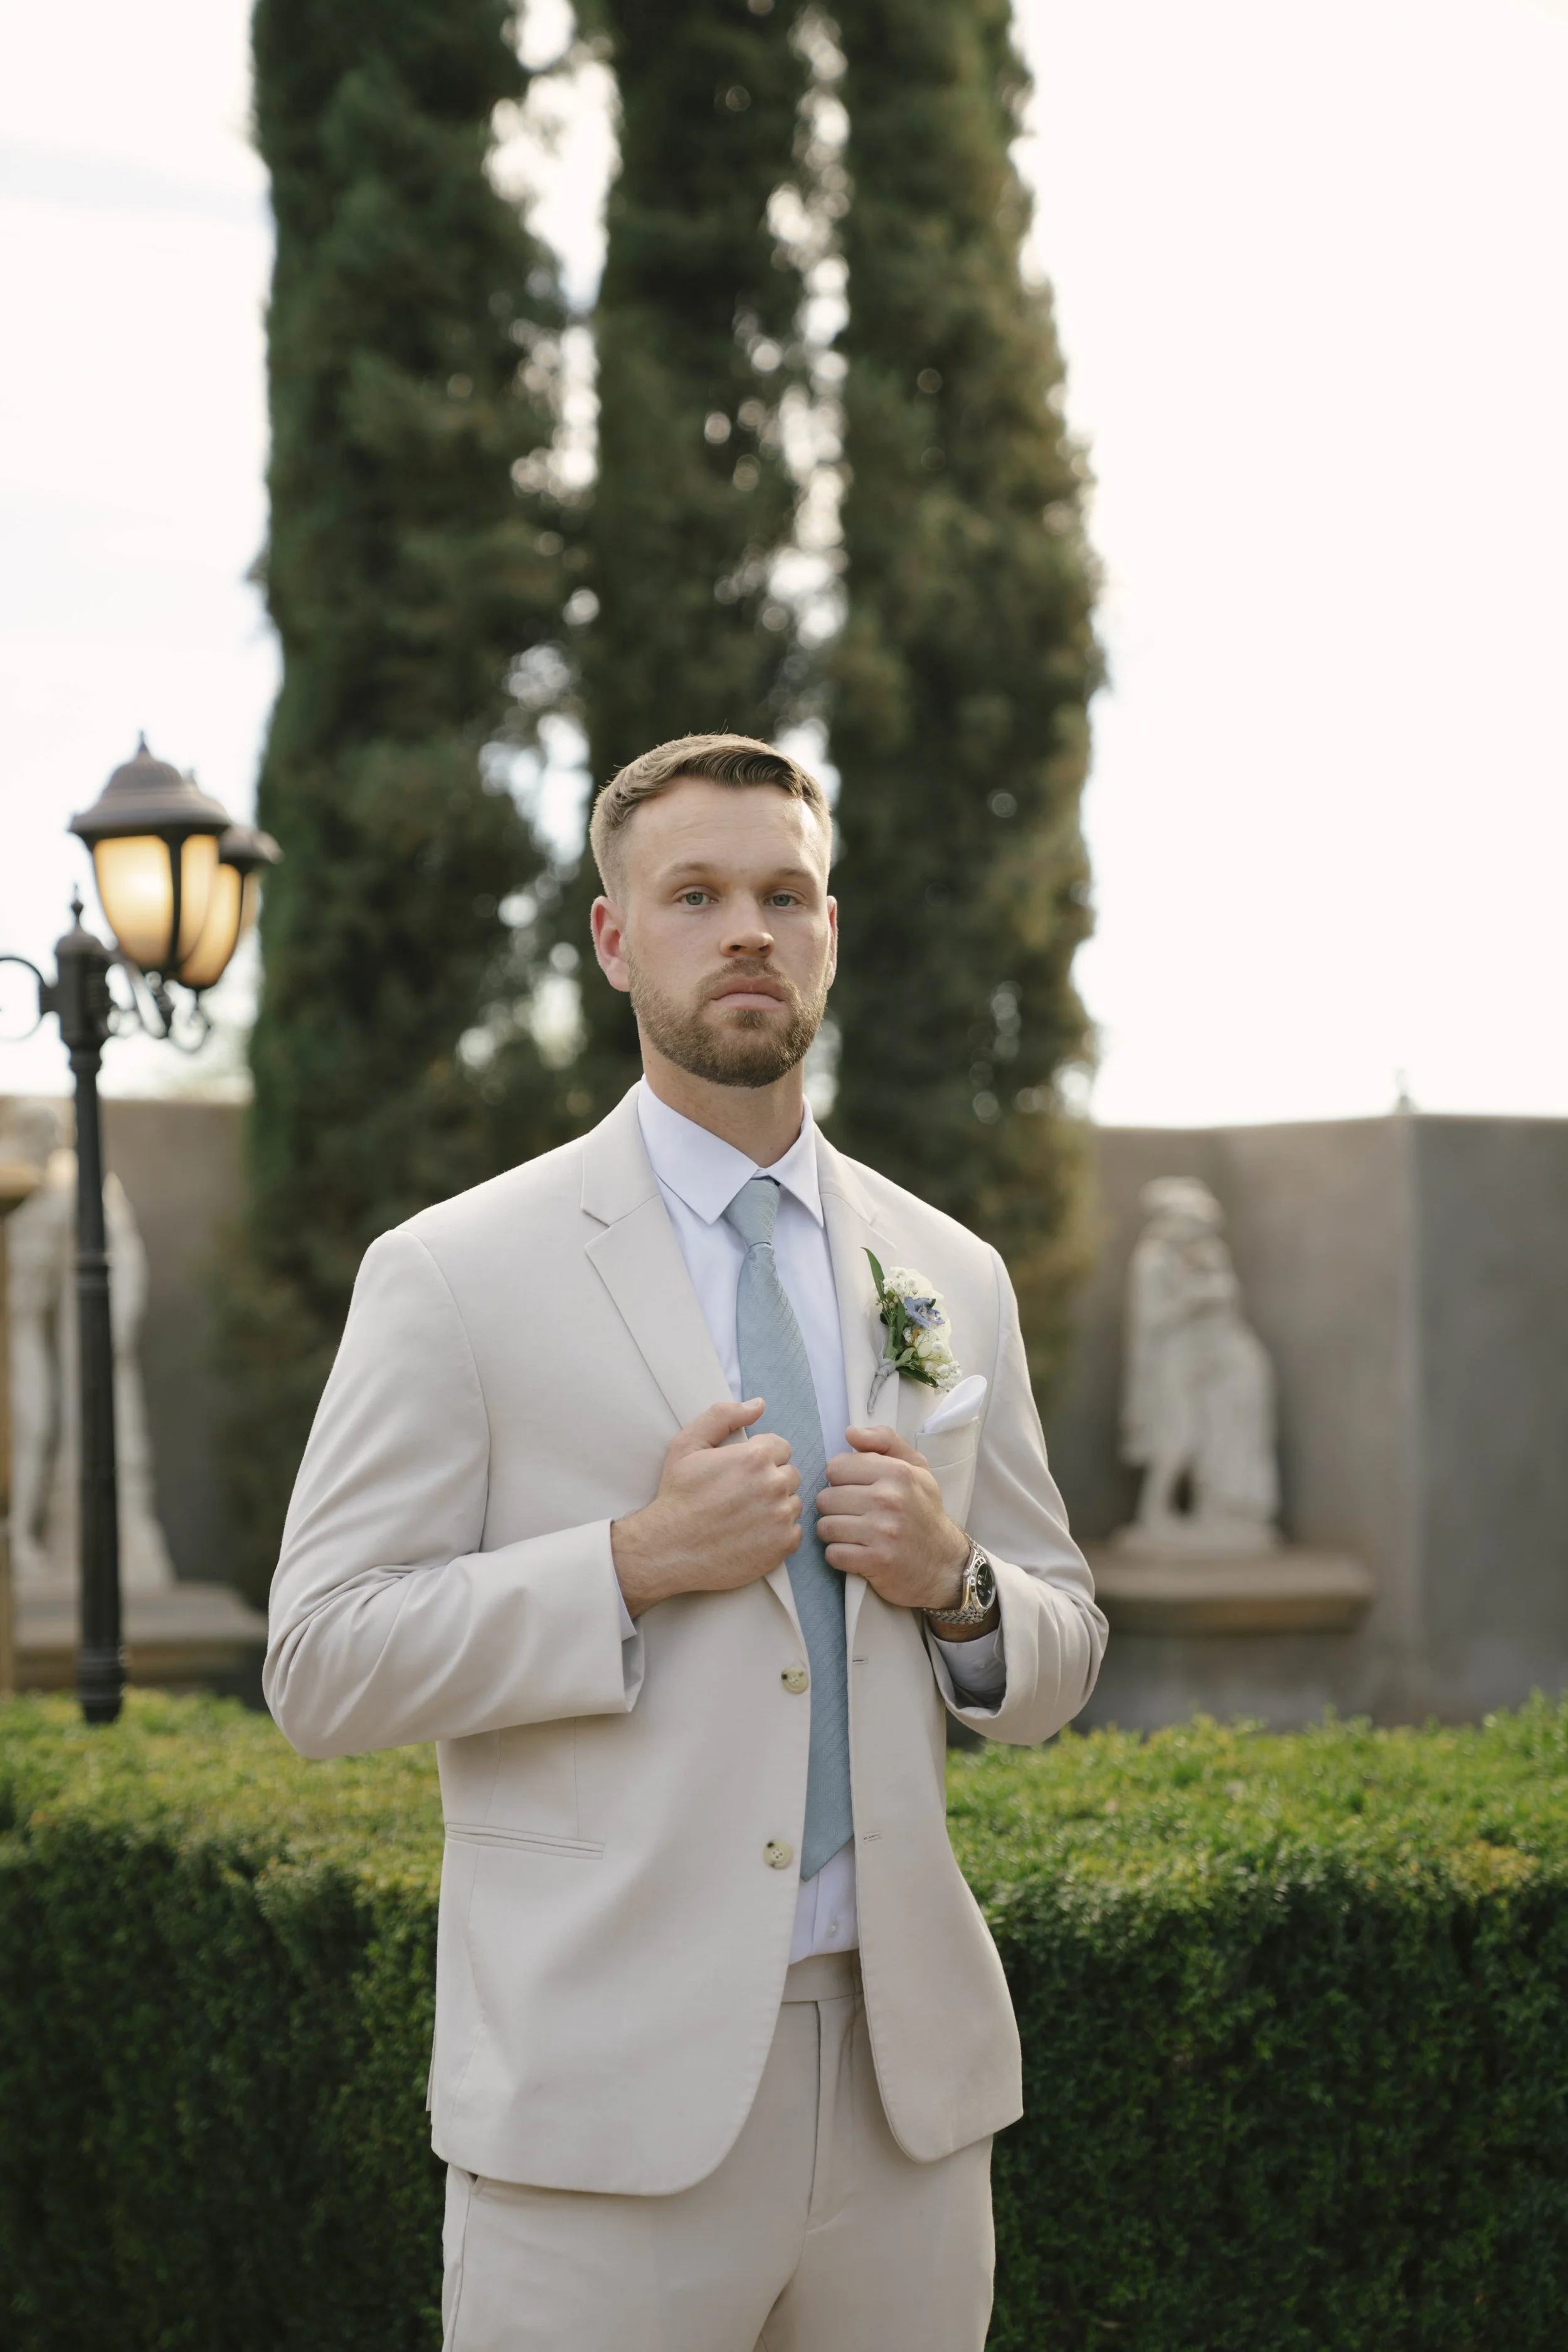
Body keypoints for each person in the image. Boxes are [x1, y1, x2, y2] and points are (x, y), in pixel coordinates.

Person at [266, 733, 1105, 2352]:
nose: (748, 930)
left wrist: (957, 1586)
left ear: (828, 929)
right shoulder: (457, 1270)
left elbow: (1058, 1644)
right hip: (599, 2109)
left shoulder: (947, 1269)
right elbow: (318, 1665)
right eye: (698, 894)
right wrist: (627, 1559)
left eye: (784, 893)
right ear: (610, 937)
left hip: (903, 2103)